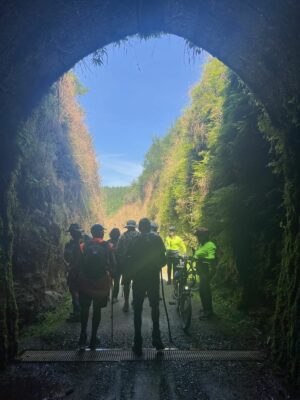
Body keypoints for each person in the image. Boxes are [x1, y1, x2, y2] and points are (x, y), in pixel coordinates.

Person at [129, 218, 166, 356]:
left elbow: (129, 258)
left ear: (139, 227)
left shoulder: (135, 240)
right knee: (154, 306)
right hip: (152, 277)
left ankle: (137, 340)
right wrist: (157, 266)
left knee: (137, 308)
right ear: (149, 227)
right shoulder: (157, 239)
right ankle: (157, 339)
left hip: (138, 279)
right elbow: (163, 258)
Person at [77, 224, 112, 349]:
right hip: (100, 283)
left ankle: (82, 336)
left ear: (92, 233)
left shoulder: (83, 246)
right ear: (101, 233)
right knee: (97, 310)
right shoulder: (107, 246)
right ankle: (93, 337)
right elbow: (112, 264)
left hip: (85, 281)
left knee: (85, 309)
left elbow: (78, 263)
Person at [117, 220, 139, 312]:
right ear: (134, 226)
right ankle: (134, 301)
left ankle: (126, 303)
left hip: (126, 263)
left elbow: (118, 250)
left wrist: (120, 261)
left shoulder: (122, 236)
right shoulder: (139, 235)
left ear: (127, 227)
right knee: (136, 283)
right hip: (137, 263)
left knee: (126, 284)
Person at [194, 227, 216, 319]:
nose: (198, 238)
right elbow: (197, 255)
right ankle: (205, 309)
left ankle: (209, 312)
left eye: (200, 236)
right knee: (202, 291)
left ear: (205, 236)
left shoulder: (210, 244)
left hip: (206, 270)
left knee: (205, 291)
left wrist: (203, 259)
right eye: (198, 236)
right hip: (200, 271)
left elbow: (212, 257)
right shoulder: (201, 245)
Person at [64, 223, 84, 322]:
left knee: (74, 291)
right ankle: (81, 311)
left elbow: (67, 258)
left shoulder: (70, 245)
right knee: (81, 291)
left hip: (74, 271)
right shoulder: (87, 242)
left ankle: (78, 312)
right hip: (85, 272)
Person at [108, 227, 121, 302]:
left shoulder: (107, 243)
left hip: (109, 266)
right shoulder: (120, 243)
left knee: (108, 282)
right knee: (116, 282)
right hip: (118, 266)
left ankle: (107, 296)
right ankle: (114, 297)